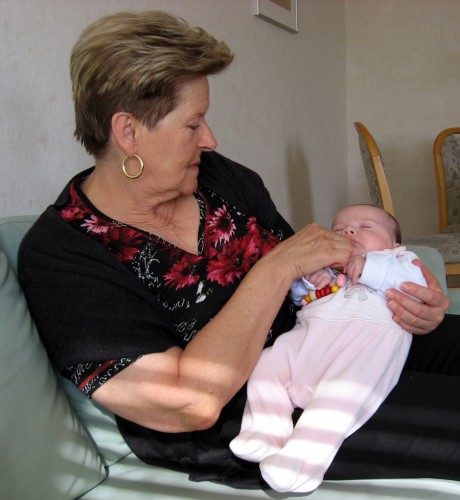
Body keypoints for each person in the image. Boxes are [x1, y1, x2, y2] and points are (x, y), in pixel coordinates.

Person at [17, 9, 459, 491]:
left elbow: (316, 274)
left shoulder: (221, 178)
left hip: (322, 336)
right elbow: (188, 402)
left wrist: (414, 297)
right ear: (129, 133)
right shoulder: (63, 254)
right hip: (250, 412)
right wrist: (278, 266)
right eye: (193, 124)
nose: (210, 139)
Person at [230, 204, 427, 493]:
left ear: (395, 244)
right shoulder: (324, 264)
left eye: (365, 227)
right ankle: (265, 430)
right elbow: (299, 296)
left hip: (364, 345)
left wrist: (370, 266)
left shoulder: (399, 259)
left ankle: (300, 463)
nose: (350, 232)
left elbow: (417, 286)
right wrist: (310, 280)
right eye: (340, 229)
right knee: (267, 362)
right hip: (309, 338)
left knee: (340, 400)